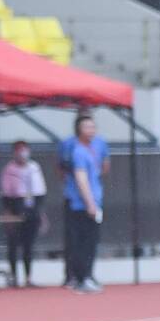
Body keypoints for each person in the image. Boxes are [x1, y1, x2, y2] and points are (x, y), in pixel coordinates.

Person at [62, 109, 107, 293]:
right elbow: (81, 178)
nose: (91, 130)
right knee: (83, 242)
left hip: (93, 200)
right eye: (87, 127)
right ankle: (82, 277)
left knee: (91, 241)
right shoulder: (79, 152)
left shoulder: (93, 150)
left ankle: (87, 275)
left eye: (92, 127)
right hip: (82, 204)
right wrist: (90, 203)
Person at [0, 140, 46, 287]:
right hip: (16, 208)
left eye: (24, 150)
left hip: (32, 208)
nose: (22, 154)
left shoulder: (34, 167)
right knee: (13, 244)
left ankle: (28, 277)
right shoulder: (9, 169)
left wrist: (40, 213)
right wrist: (9, 212)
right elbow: (6, 194)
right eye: (19, 150)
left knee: (28, 245)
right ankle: (13, 276)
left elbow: (40, 192)